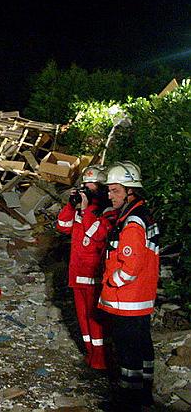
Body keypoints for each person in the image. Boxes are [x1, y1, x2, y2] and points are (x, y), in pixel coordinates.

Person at [99, 161, 159, 410]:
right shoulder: (143, 214)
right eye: (109, 190)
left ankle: (128, 402)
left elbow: (130, 266)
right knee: (143, 348)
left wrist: (113, 282)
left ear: (130, 191)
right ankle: (144, 396)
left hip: (127, 299)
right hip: (141, 298)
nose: (110, 195)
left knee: (128, 354)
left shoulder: (132, 222)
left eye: (115, 191)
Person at [56, 165, 111, 370]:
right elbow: (62, 226)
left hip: (93, 276)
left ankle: (101, 360)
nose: (87, 191)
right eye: (84, 187)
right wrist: (72, 206)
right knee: (83, 321)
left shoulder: (107, 211)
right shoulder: (82, 209)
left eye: (91, 187)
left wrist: (86, 209)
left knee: (95, 320)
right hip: (77, 274)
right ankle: (91, 356)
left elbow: (97, 234)